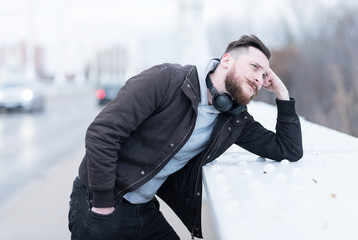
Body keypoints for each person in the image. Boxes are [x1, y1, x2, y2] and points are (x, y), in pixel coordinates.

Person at [68, 34, 303, 240]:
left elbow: (288, 149)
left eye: (264, 75)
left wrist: (282, 94)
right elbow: (102, 133)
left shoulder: (233, 120)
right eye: (254, 67)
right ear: (227, 60)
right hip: (101, 201)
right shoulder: (166, 80)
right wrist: (102, 206)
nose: (260, 80)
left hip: (142, 208)